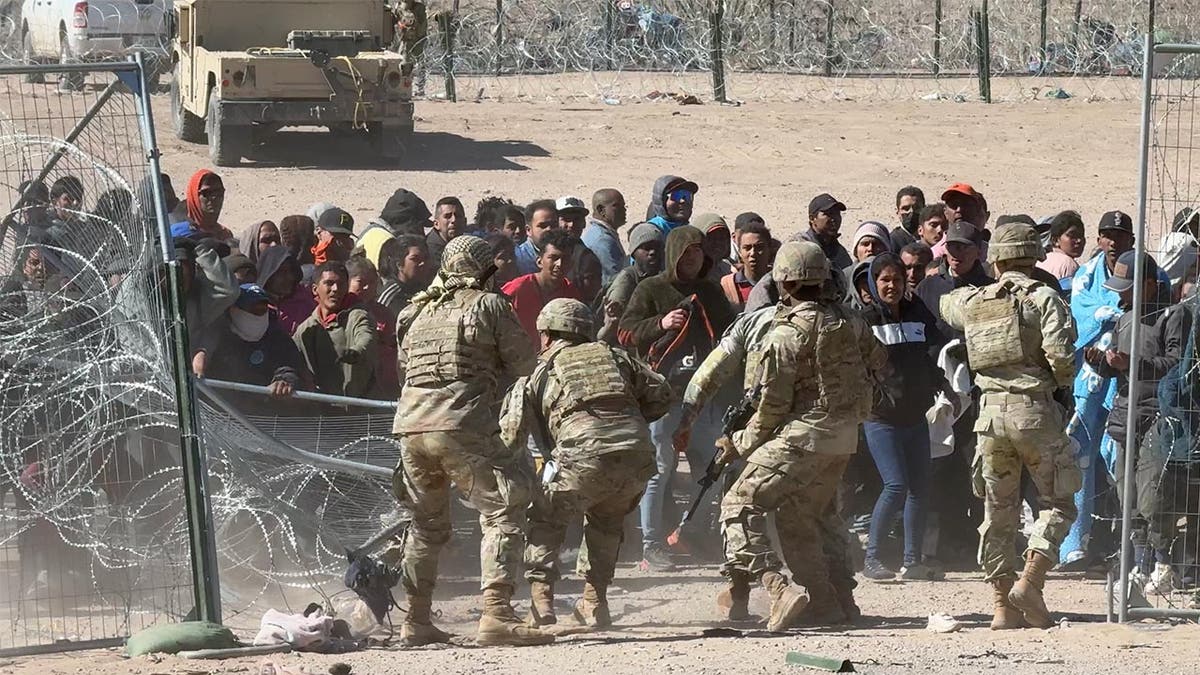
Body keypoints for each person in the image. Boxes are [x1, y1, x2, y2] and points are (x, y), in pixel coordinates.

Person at [392, 235, 553, 647]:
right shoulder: (489, 305)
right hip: (463, 422)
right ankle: (497, 614)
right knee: (503, 508)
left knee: (425, 525)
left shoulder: (413, 311)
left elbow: (404, 369)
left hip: (411, 426)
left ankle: (416, 619)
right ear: (483, 270)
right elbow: (524, 363)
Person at [717, 241, 887, 630]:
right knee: (804, 517)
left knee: (739, 505)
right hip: (844, 438)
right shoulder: (850, 321)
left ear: (784, 284)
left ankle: (778, 590)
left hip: (803, 437)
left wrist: (738, 444)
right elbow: (880, 361)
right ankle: (833, 600)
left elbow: (771, 409)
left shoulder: (785, 335)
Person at [939, 223, 1079, 630]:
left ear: (996, 259)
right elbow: (1062, 360)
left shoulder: (974, 299)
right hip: (1034, 412)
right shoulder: (1045, 298)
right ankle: (1030, 583)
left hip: (990, 419)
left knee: (998, 511)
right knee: (1059, 502)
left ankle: (1002, 607)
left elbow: (946, 304)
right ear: (1034, 257)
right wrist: (1054, 382)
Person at [503, 299, 672, 628]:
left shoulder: (539, 370)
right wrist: (627, 420)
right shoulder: (615, 357)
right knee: (607, 522)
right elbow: (663, 393)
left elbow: (510, 435)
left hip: (581, 456)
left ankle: (541, 602)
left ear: (548, 335)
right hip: (636, 456)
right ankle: (594, 602)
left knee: (545, 517)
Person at [618, 225, 736, 569]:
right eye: (687, 252)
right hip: (662, 397)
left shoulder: (711, 291)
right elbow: (626, 332)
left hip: (704, 397)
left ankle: (690, 531)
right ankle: (651, 544)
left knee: (711, 468)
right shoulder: (650, 289)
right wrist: (661, 323)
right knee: (660, 470)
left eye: (698, 251)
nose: (693, 258)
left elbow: (730, 336)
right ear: (674, 254)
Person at [1084, 251, 1189, 592]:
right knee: (1125, 495)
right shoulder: (1124, 318)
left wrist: (1133, 363)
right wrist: (1101, 362)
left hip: (1158, 420)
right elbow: (1117, 368)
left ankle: (1163, 563)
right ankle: (1138, 564)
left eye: (1128, 288)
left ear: (1149, 284)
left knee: (1152, 497)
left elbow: (1176, 365)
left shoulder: (1173, 315)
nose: (1120, 294)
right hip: (1125, 417)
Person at [858, 253, 948, 581]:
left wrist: (937, 383)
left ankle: (912, 562)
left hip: (915, 416)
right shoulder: (865, 320)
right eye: (885, 280)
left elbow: (937, 348)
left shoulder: (918, 314)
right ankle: (872, 559)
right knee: (895, 485)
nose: (892, 285)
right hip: (880, 417)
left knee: (920, 488)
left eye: (897, 279)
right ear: (873, 283)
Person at [1061, 210, 1139, 568]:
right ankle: (1074, 544)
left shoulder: (1142, 273)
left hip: (1126, 382)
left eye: (1120, 236)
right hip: (1089, 381)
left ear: (1130, 242)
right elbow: (1082, 314)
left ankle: (1128, 547)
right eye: (1107, 235)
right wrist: (1111, 312)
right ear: (1099, 239)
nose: (1113, 242)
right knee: (1082, 456)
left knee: (1119, 460)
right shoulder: (1085, 277)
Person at [206, 284, 307, 413]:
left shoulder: (277, 337)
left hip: (267, 415)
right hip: (223, 414)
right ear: (233, 309)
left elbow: (288, 365)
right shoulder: (217, 338)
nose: (258, 316)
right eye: (252, 310)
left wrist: (283, 382)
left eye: (262, 309)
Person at [292, 261, 378, 398]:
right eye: (329, 283)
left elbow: (365, 336)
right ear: (315, 289)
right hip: (322, 407)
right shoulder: (306, 329)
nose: (336, 289)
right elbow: (291, 358)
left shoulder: (357, 314)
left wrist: (356, 352)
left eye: (342, 284)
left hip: (358, 406)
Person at [917, 221, 995, 338]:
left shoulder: (991, 289)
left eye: (964, 247)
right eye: (951, 246)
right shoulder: (927, 287)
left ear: (978, 251)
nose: (957, 253)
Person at [502, 229, 579, 346]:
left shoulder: (571, 295)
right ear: (539, 261)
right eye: (553, 258)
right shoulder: (517, 289)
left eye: (565, 259)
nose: (560, 264)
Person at [598, 222, 663, 345]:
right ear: (634, 253)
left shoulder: (661, 277)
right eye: (646, 248)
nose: (653, 253)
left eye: (657, 247)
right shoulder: (626, 281)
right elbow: (611, 328)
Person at [347, 256, 399, 399]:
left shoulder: (384, 313)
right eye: (361, 282)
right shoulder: (341, 311)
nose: (367, 287)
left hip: (383, 383)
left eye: (371, 282)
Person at [257, 245, 314, 334]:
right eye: (282, 272)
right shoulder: (254, 305)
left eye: (291, 271)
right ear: (268, 274)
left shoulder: (305, 303)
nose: (289, 277)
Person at [721, 221, 771, 312]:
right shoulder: (728, 285)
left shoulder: (780, 284)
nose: (753, 253)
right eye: (747, 248)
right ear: (739, 252)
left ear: (769, 249)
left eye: (759, 247)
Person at [171, 170, 234, 242]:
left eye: (219, 192)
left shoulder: (225, 235)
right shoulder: (179, 233)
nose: (214, 197)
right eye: (207, 193)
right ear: (194, 196)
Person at [582, 188, 628, 285]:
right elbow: (613, 281)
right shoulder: (602, 240)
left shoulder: (601, 233)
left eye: (623, 206)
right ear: (601, 210)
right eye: (617, 206)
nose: (624, 210)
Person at [377, 234, 431, 316]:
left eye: (425, 258)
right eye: (415, 259)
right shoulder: (391, 296)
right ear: (399, 264)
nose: (422, 263)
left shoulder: (430, 289)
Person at [1038, 211, 1087, 294]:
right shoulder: (1068, 264)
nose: (1079, 240)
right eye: (1072, 236)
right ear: (1056, 240)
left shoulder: (1042, 259)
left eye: (1081, 235)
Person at [514, 200, 558, 276]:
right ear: (528, 230)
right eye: (543, 226)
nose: (549, 229)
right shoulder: (517, 259)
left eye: (554, 225)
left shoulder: (568, 255)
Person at [696, 213, 734, 282]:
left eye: (722, 237)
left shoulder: (728, 270)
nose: (717, 242)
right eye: (711, 238)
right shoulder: (690, 273)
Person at [428, 196, 466, 266]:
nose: (454, 220)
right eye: (447, 216)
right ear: (436, 224)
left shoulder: (468, 245)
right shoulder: (428, 252)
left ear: (465, 222)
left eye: (458, 216)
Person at [890, 186, 926, 251]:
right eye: (905, 208)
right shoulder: (892, 242)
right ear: (898, 212)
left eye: (916, 208)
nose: (911, 211)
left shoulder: (932, 237)